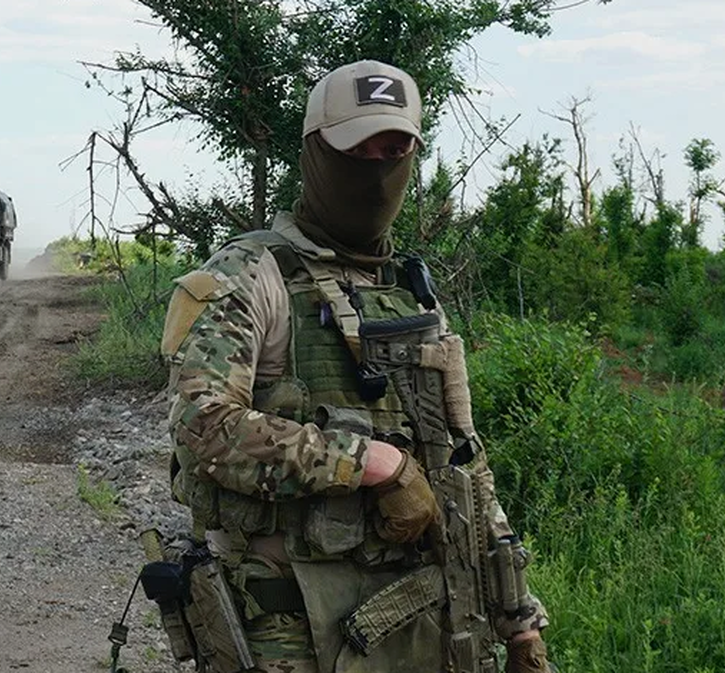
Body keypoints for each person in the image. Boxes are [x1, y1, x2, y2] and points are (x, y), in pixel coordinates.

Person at [160, 60, 550, 673]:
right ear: (317, 153)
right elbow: (201, 429)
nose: (377, 170)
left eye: (394, 150)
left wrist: (521, 622)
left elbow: (466, 468)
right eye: (358, 149)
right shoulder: (249, 275)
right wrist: (375, 464)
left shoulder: (413, 293)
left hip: (423, 617)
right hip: (294, 621)